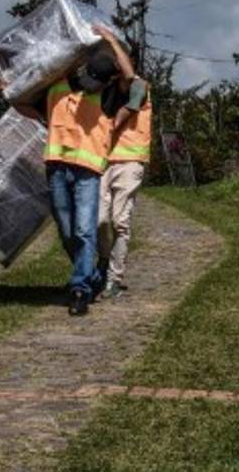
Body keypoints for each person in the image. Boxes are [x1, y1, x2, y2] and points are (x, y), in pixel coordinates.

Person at [8, 26, 133, 316]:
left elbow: (129, 78)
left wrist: (110, 40)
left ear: (108, 81)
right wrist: (9, 91)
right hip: (56, 168)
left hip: (87, 171)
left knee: (84, 230)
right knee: (67, 231)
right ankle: (92, 274)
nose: (91, 86)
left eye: (96, 83)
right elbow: (21, 101)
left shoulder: (110, 95)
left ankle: (80, 289)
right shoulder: (57, 85)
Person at [98, 71, 151, 299]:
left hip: (130, 160)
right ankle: (103, 259)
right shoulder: (101, 86)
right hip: (100, 159)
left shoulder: (140, 85)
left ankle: (114, 279)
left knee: (120, 222)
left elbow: (130, 107)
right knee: (99, 220)